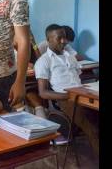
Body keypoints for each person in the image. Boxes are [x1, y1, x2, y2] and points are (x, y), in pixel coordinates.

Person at [34, 25, 99, 155]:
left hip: (82, 95)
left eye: (64, 37)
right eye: (59, 38)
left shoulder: (70, 56)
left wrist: (88, 90)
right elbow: (43, 93)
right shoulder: (43, 61)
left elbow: (77, 78)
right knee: (93, 129)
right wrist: (69, 96)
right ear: (49, 40)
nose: (64, 41)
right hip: (66, 99)